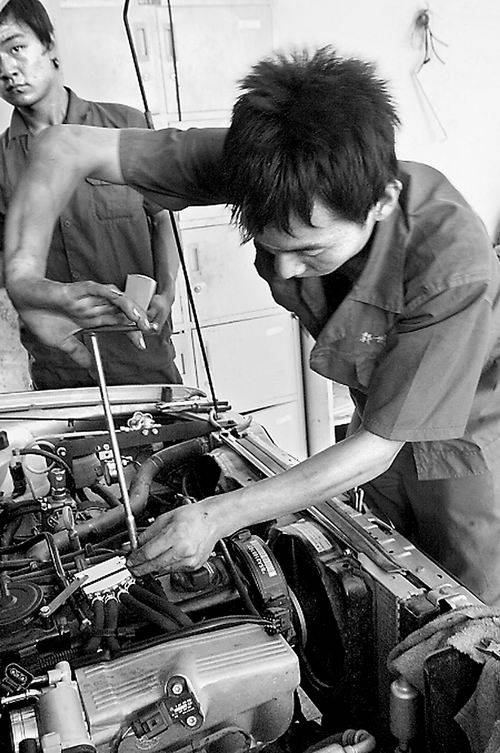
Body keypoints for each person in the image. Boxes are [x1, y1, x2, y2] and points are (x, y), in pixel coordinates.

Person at [5, 47, 500, 605]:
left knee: (467, 597)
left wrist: (217, 516)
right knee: (380, 565)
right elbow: (62, 148)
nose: (284, 270)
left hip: (468, 427)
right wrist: (27, 284)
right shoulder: (264, 160)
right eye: (269, 248)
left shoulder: (451, 265)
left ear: (382, 202)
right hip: (377, 402)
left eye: (308, 251)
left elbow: (378, 447)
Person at [0, 0, 181, 388]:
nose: (6, 69)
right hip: (60, 365)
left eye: (16, 48)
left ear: (50, 46)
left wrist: (166, 293)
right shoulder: (1, 161)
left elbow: (162, 219)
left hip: (142, 353)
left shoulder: (126, 126)